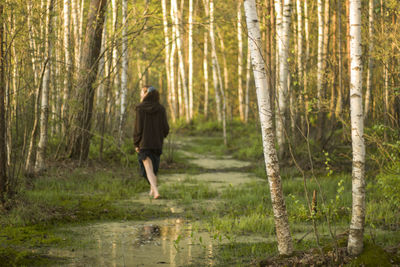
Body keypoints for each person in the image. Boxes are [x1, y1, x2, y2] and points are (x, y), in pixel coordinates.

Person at [134, 85, 169, 199]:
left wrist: (136, 142)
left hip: (144, 143)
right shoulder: (161, 109)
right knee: (153, 170)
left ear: (146, 94)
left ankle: (156, 191)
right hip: (157, 144)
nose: (140, 95)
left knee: (148, 169)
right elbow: (166, 128)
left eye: (142, 93)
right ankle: (152, 190)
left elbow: (138, 128)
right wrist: (161, 136)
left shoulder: (140, 108)